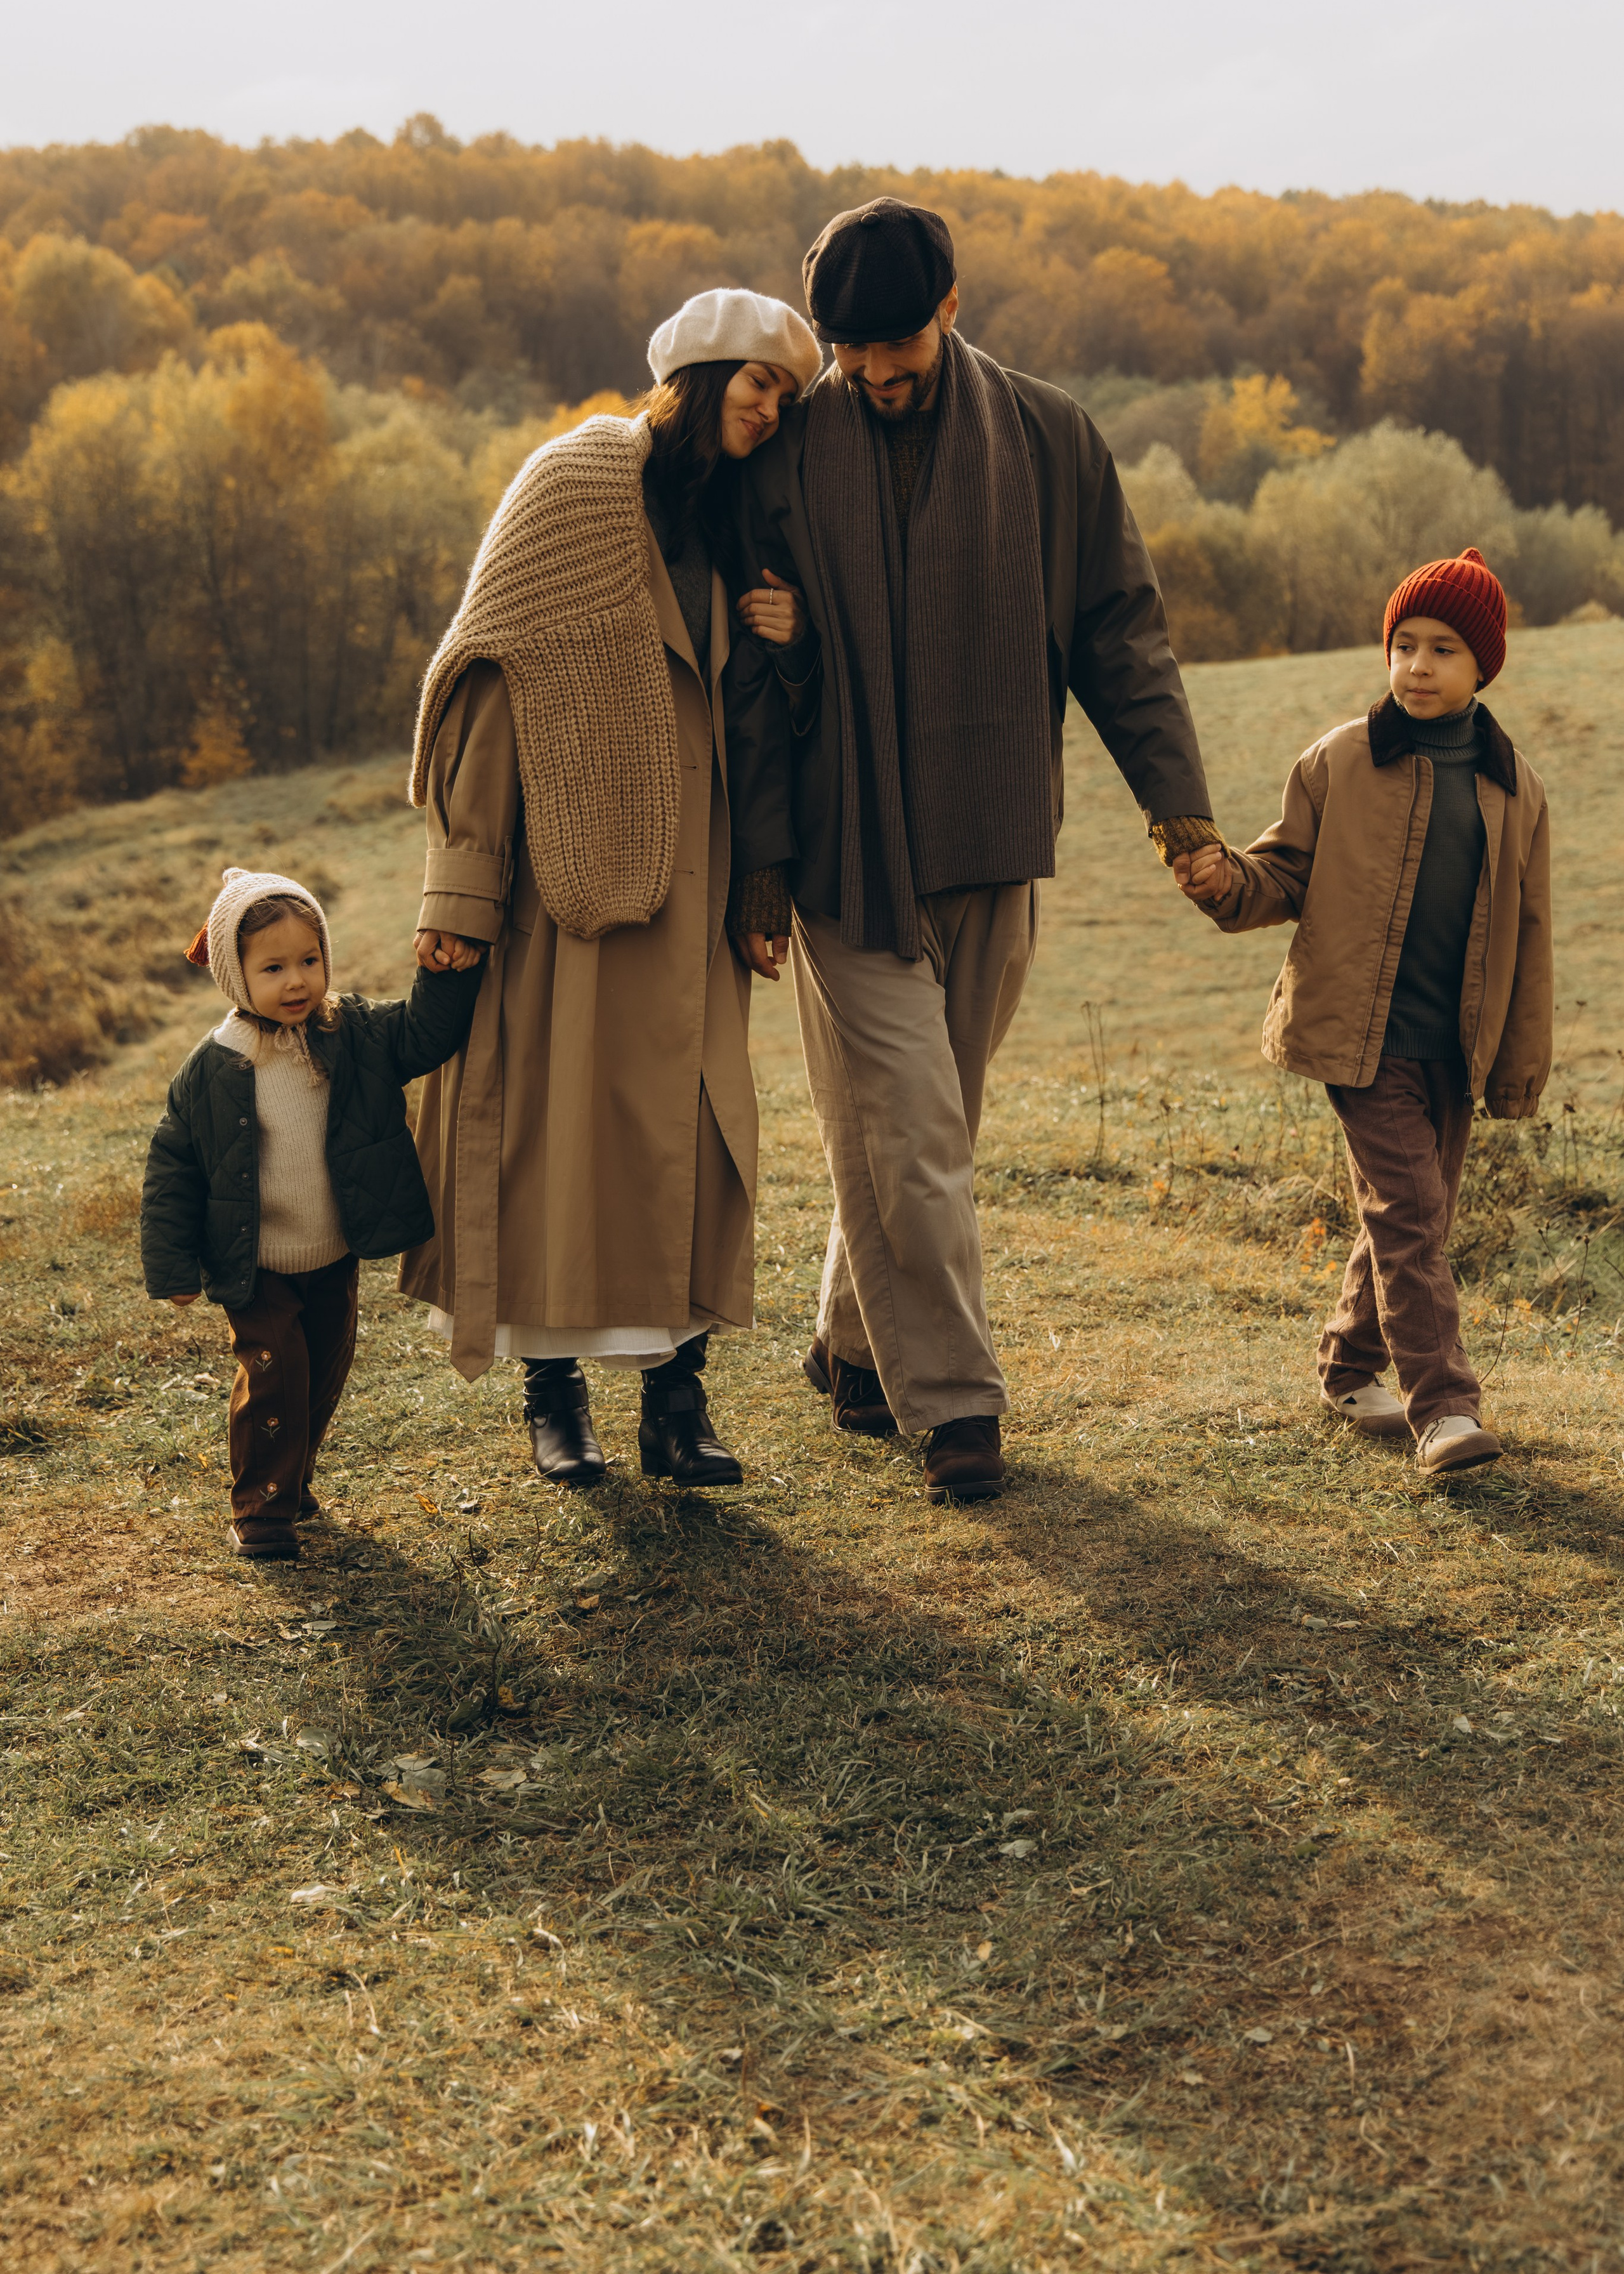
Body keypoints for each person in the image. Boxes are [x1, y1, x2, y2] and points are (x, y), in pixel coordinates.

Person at [727, 197, 1217, 1502]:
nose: (874, 377)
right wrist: (761, 869)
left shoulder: (1052, 438)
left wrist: (1175, 808)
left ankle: (843, 1346)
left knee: (922, 1130)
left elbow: (1119, 631)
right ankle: (953, 1409)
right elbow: (747, 687)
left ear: (951, 310)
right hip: (842, 859)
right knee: (918, 1137)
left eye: (897, 350)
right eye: (850, 357)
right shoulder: (785, 455)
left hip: (995, 832)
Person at [402, 289, 822, 1492]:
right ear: (697, 374)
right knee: (557, 1155)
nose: (771, 404)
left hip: (696, 904)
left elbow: (763, 715)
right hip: (562, 898)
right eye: (757, 379)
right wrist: (459, 899)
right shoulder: (574, 486)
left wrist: (791, 645)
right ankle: (554, 1398)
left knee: (682, 1149)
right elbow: (487, 700)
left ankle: (676, 1404)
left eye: (786, 394)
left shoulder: (745, 525)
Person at [1175, 548, 1552, 1475]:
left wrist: (1517, 1065)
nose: (1418, 666)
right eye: (1405, 646)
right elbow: (1282, 875)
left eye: (1444, 650)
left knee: (1410, 1217)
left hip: (1457, 1048)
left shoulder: (1515, 787)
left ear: (1482, 668)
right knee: (1413, 1215)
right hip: (1362, 1037)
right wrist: (1226, 882)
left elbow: (1531, 935)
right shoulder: (1341, 760)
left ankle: (1349, 1367)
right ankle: (1446, 1411)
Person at [140, 866, 483, 1561]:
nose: (296, 981)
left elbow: (421, 1038)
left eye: (309, 960)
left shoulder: (350, 1031)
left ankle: (289, 1480)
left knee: (320, 1372)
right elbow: (172, 1169)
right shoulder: (213, 1067)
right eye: (273, 968)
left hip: (332, 1253)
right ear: (236, 978)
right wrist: (172, 1265)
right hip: (257, 1262)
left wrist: (444, 979)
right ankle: (261, 1510)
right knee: (275, 1371)